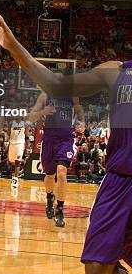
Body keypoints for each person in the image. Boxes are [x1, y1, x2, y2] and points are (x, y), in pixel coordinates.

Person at [0, 12, 132, 274]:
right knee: (97, 271)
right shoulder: (118, 71)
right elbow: (54, 84)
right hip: (120, 182)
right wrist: (12, 44)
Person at [28, 91, 84, 227]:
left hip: (66, 140)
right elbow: (31, 116)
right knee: (49, 175)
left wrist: (81, 123)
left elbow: (80, 112)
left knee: (62, 173)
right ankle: (49, 198)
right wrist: (43, 112)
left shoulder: (72, 95)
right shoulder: (45, 95)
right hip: (49, 140)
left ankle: (59, 210)